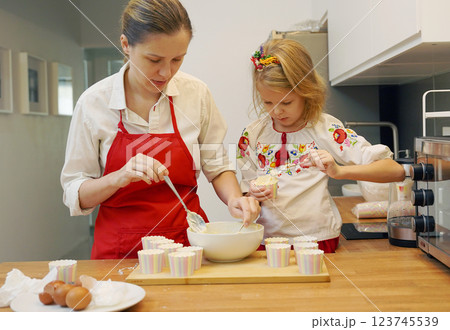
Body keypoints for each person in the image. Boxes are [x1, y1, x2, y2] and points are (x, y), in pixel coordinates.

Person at [61, 0, 260, 259]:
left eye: (177, 59)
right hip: (119, 251)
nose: (166, 72)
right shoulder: (94, 103)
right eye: (154, 59)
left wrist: (235, 199)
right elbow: (76, 194)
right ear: (125, 45)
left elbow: (217, 165)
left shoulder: (196, 94)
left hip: (186, 245)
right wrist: (119, 177)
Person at [237, 39, 405, 253]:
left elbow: (394, 171)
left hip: (317, 239)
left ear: (307, 92)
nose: (276, 112)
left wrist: (339, 171)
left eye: (286, 103)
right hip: (266, 241)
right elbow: (246, 193)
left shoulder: (325, 128)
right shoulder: (252, 135)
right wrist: (251, 198)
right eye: (267, 103)